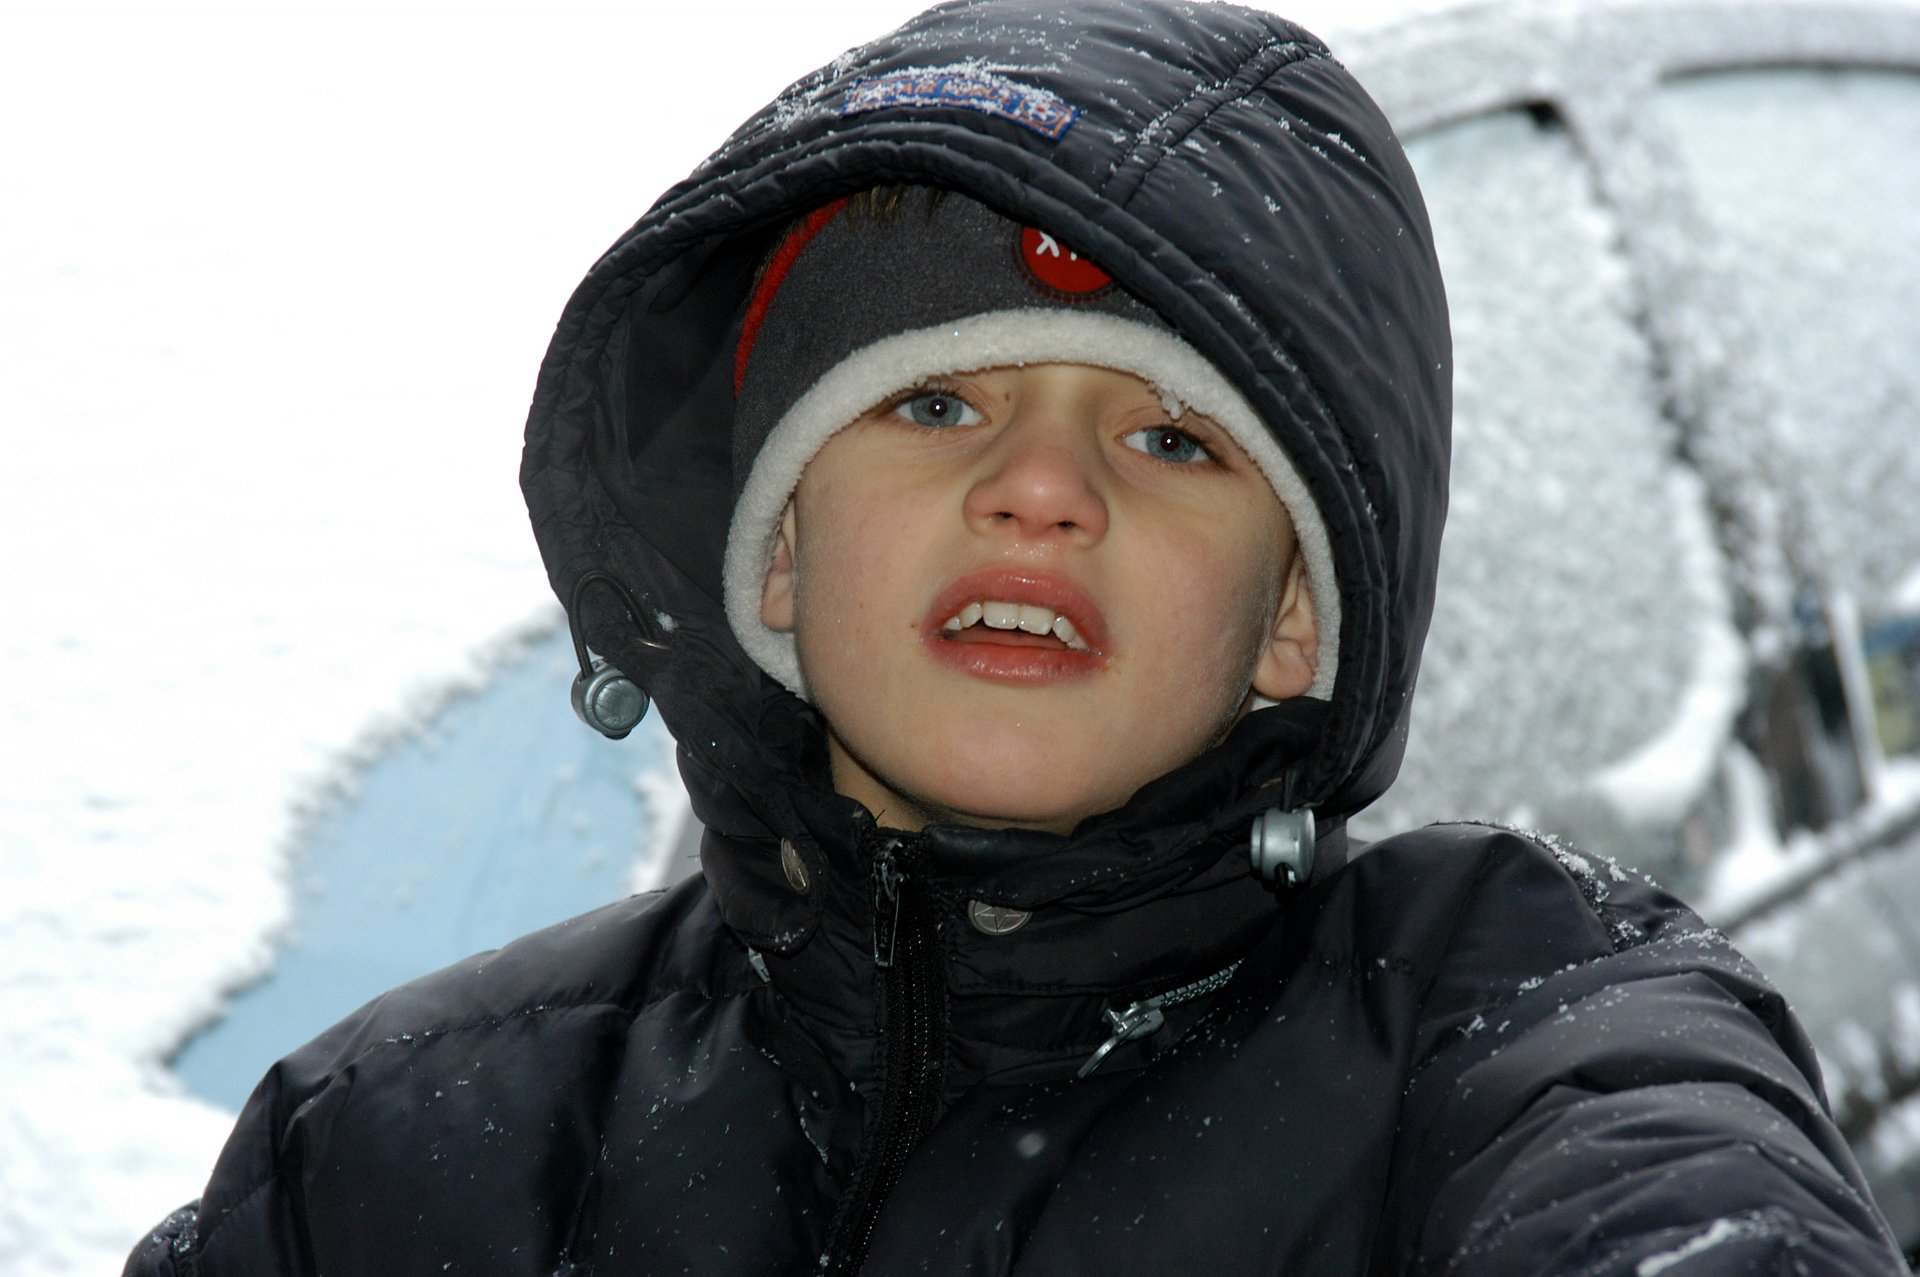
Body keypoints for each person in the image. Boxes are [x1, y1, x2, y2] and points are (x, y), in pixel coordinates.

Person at [125, 1, 1906, 1273]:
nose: (1042, 489)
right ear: (774, 560)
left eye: (1173, 440)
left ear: (1294, 618)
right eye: (934, 406)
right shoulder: (392, 1147)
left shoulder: (1510, 1021)